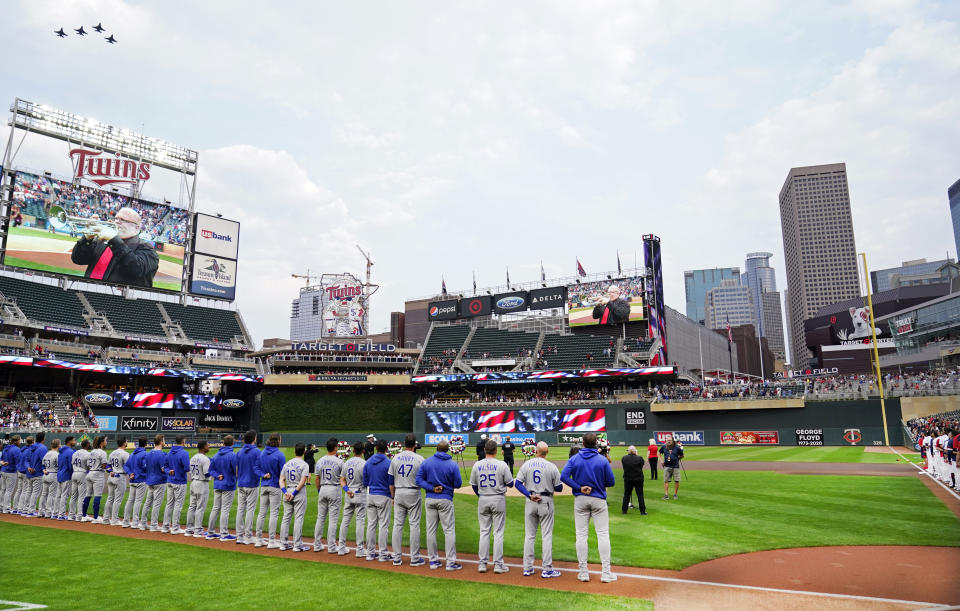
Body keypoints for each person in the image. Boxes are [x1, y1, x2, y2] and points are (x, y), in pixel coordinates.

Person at [561, 432, 617, 583]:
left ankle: (583, 572)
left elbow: (564, 477)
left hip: (581, 499)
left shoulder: (574, 458)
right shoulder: (602, 460)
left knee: (581, 535)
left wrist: (579, 487)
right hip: (598, 499)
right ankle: (606, 573)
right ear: (596, 444)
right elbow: (611, 482)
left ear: (583, 444)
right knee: (603, 534)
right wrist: (598, 483)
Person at [70, 206, 159, 288]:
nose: (117, 221)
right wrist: (87, 239)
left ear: (137, 227)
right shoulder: (102, 241)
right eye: (116, 218)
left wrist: (114, 240)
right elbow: (77, 259)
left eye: (123, 220)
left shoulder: (147, 250)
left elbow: (135, 270)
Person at [514, 441, 563, 578]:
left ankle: (528, 568)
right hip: (545, 501)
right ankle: (547, 569)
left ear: (536, 451)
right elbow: (559, 488)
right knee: (546, 536)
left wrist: (529, 495)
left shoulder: (527, 464)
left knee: (529, 536)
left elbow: (517, 483)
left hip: (530, 501)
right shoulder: (551, 466)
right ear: (547, 453)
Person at [415, 440, 462, 571]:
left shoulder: (427, 462)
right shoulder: (452, 464)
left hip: (430, 498)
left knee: (431, 530)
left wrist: (431, 487)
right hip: (445, 499)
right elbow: (458, 484)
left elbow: (418, 480)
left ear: (436, 448)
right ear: (448, 450)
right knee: (449, 530)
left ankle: (433, 561)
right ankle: (451, 562)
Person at [469, 438, 514, 574]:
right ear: (496, 451)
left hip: (483, 499)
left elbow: (474, 485)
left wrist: (481, 495)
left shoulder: (477, 465)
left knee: (484, 532)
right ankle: (498, 565)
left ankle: (482, 564)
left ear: (484, 450)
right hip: (498, 499)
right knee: (498, 533)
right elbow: (511, 483)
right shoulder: (502, 465)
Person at [389, 433, 425, 567]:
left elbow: (390, 481)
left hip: (399, 491)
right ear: (415, 444)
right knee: (414, 525)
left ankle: (397, 558)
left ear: (404, 444)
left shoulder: (395, 458)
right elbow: (423, 478)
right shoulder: (419, 458)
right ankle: (415, 558)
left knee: (398, 525)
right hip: (413, 492)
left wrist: (393, 497)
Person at [362, 439, 392, 562]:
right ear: (386, 449)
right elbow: (391, 481)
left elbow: (365, 481)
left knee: (371, 525)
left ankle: (370, 553)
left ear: (376, 448)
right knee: (383, 526)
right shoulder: (388, 463)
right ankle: (383, 554)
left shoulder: (368, 462)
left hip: (371, 494)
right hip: (384, 495)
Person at [254, 434, 285, 548]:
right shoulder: (279, 455)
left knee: (262, 513)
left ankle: (258, 539)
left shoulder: (262, 453)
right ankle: (271, 541)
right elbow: (283, 473)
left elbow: (255, 468)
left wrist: (263, 475)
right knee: (274, 513)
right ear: (278, 441)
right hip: (275, 486)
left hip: (264, 485)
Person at [337, 441, 367, 557]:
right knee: (360, 521)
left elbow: (342, 480)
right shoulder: (364, 463)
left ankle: (341, 547)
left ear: (353, 451)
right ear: (363, 451)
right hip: (361, 493)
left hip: (349, 493)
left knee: (345, 521)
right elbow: (366, 481)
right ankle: (359, 550)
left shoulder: (347, 463)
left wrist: (346, 489)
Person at [313, 437, 343, 553]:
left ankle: (317, 544)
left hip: (323, 489)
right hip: (334, 489)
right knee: (333, 520)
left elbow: (316, 479)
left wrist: (319, 491)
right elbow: (343, 479)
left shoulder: (320, 460)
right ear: (335, 448)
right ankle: (331, 547)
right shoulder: (339, 461)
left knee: (320, 518)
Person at [279, 443, 310, 552]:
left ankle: (283, 544)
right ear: (304, 451)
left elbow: (281, 480)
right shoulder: (304, 464)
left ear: (294, 451)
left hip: (288, 490)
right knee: (298, 518)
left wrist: (285, 492)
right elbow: (302, 482)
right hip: (298, 492)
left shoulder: (287, 464)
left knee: (286, 518)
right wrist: (295, 493)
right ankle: (297, 545)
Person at [207, 435, 239, 541]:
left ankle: (210, 532)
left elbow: (210, 470)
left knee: (216, 508)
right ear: (232, 443)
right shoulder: (232, 455)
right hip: (228, 485)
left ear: (223, 443)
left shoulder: (216, 455)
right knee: (225, 509)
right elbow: (236, 470)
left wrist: (217, 476)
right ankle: (224, 534)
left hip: (217, 484)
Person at [235, 430, 261, 545]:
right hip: (252, 484)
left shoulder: (239, 452)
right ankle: (248, 535)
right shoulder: (257, 452)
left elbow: (236, 469)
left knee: (240, 509)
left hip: (241, 483)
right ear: (254, 439)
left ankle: (239, 536)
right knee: (250, 509)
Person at [161, 435, 189, 534]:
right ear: (183, 441)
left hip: (170, 481)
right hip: (179, 481)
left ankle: (165, 526)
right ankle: (175, 528)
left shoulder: (169, 453)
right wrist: (178, 469)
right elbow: (187, 468)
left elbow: (165, 467)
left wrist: (170, 471)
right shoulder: (184, 453)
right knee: (178, 505)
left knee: (169, 504)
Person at [185, 441, 211, 538]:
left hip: (193, 483)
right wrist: (215, 475)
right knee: (200, 507)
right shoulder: (205, 459)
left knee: (192, 506)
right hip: (202, 483)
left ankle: (189, 529)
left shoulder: (193, 458)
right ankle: (198, 530)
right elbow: (206, 473)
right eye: (208, 445)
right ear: (204, 447)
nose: (209, 447)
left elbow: (189, 473)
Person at [142, 435, 167, 531]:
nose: (165, 441)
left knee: (147, 503)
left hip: (150, 481)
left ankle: (143, 524)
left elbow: (145, 467)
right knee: (156, 504)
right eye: (164, 440)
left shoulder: (148, 454)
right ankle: (153, 525)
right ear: (161, 441)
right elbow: (163, 469)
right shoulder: (162, 454)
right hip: (159, 481)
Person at [122, 438, 148, 529]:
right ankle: (135, 522)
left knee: (130, 500)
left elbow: (126, 466)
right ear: (146, 444)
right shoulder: (144, 454)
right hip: (141, 480)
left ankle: (125, 521)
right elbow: (145, 467)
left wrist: (130, 473)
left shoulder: (132, 453)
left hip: (132, 480)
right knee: (138, 501)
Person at [104, 437, 129, 525]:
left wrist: (111, 471)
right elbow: (128, 466)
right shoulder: (125, 454)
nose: (127, 443)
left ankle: (106, 519)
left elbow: (107, 466)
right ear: (123, 443)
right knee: (117, 499)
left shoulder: (112, 453)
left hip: (111, 477)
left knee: (110, 498)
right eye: (126, 442)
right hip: (120, 477)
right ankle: (114, 520)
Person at [25, 432, 47, 517]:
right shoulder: (43, 448)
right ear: (43, 439)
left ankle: (26, 509)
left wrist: (28, 467)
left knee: (29, 491)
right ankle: (31, 511)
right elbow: (43, 461)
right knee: (35, 493)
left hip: (29, 473)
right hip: (38, 473)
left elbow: (26, 460)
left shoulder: (30, 447)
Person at [69, 439, 91, 522]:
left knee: (74, 496)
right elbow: (89, 466)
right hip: (82, 473)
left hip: (74, 473)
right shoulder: (88, 454)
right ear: (88, 445)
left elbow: (72, 464)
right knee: (82, 496)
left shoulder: (75, 453)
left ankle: (71, 515)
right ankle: (79, 515)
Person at [621, 445, 647, 515]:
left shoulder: (624, 458)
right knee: (640, 495)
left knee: (626, 494)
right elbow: (642, 465)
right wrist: (636, 455)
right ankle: (642, 511)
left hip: (628, 478)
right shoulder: (639, 458)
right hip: (638, 478)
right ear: (635, 451)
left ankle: (624, 510)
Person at [39, 439, 60, 519]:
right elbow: (59, 465)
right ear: (58, 445)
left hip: (45, 474)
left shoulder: (47, 453)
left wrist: (44, 470)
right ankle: (48, 512)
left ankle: (41, 512)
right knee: (51, 494)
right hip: (53, 474)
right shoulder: (57, 454)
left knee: (44, 494)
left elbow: (42, 465)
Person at [55, 436, 75, 520]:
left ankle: (55, 513)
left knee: (58, 495)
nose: (75, 442)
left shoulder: (61, 451)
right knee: (64, 495)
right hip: (66, 475)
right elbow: (71, 465)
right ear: (69, 442)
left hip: (59, 474)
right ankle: (61, 514)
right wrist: (73, 473)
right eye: (74, 440)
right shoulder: (70, 452)